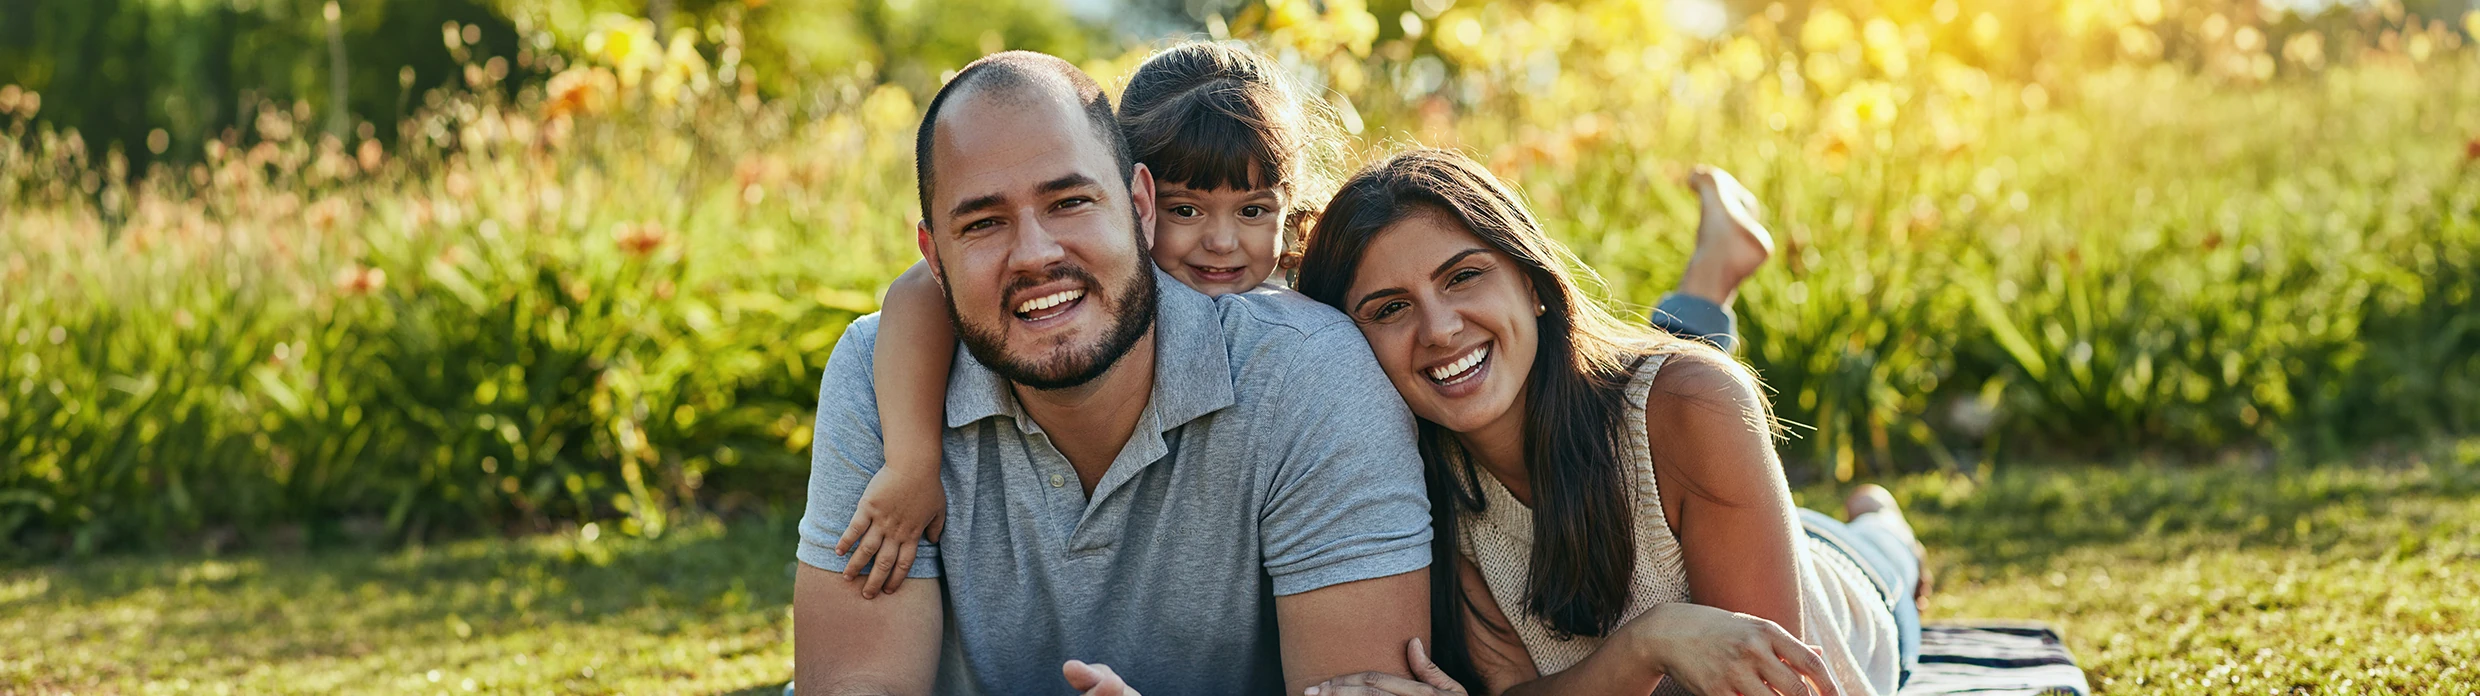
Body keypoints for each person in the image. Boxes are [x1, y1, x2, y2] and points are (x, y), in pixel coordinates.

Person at [790, 50, 1437, 695]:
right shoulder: (885, 371)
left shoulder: (1310, 371)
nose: (1035, 254)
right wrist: (911, 462)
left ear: (1137, 204)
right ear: (936, 257)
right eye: (983, 222)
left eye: (1070, 202)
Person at [1295, 149, 1927, 696]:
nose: (1439, 329)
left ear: (1532, 279)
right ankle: (1715, 266)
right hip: (1676, 464)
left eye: (1463, 277)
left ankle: (1881, 520)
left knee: (1692, 394)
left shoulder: (1693, 406)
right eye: (1390, 308)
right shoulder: (1413, 485)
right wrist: (1646, 644)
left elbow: (1760, 681)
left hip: (1852, 591)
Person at [831, 41, 1341, 600]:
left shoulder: (1305, 326)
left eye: (1252, 210)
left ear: (1287, 207)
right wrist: (912, 462)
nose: (1220, 242)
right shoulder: (1097, 273)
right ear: (1139, 204)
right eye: (1186, 210)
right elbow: (915, 294)